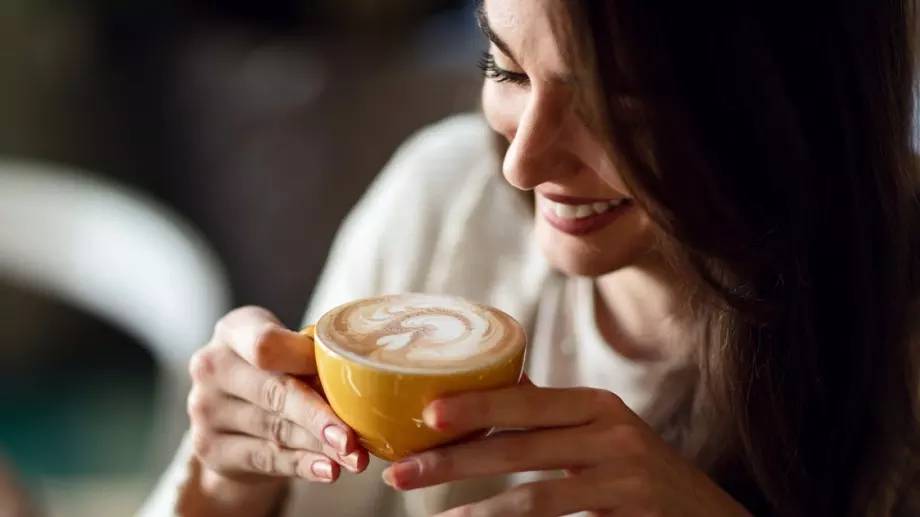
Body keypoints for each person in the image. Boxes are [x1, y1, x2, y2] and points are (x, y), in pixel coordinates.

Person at [139, 0, 920, 515]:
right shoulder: (446, 200)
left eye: (618, 105)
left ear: (789, 101)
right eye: (504, 68)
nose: (522, 164)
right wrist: (226, 481)